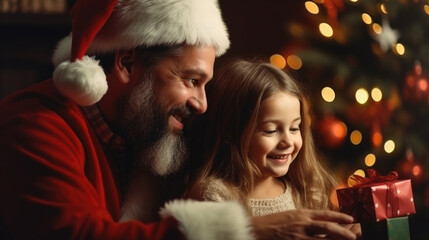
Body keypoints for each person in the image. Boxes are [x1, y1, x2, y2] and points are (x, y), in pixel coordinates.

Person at [0, 0, 357, 239]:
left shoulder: (147, 135)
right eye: (191, 80)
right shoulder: (33, 126)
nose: (202, 103)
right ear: (126, 65)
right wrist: (244, 230)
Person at [184, 58, 361, 235]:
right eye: (270, 130)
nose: (288, 142)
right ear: (231, 133)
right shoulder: (213, 196)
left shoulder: (306, 190)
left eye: (294, 128)